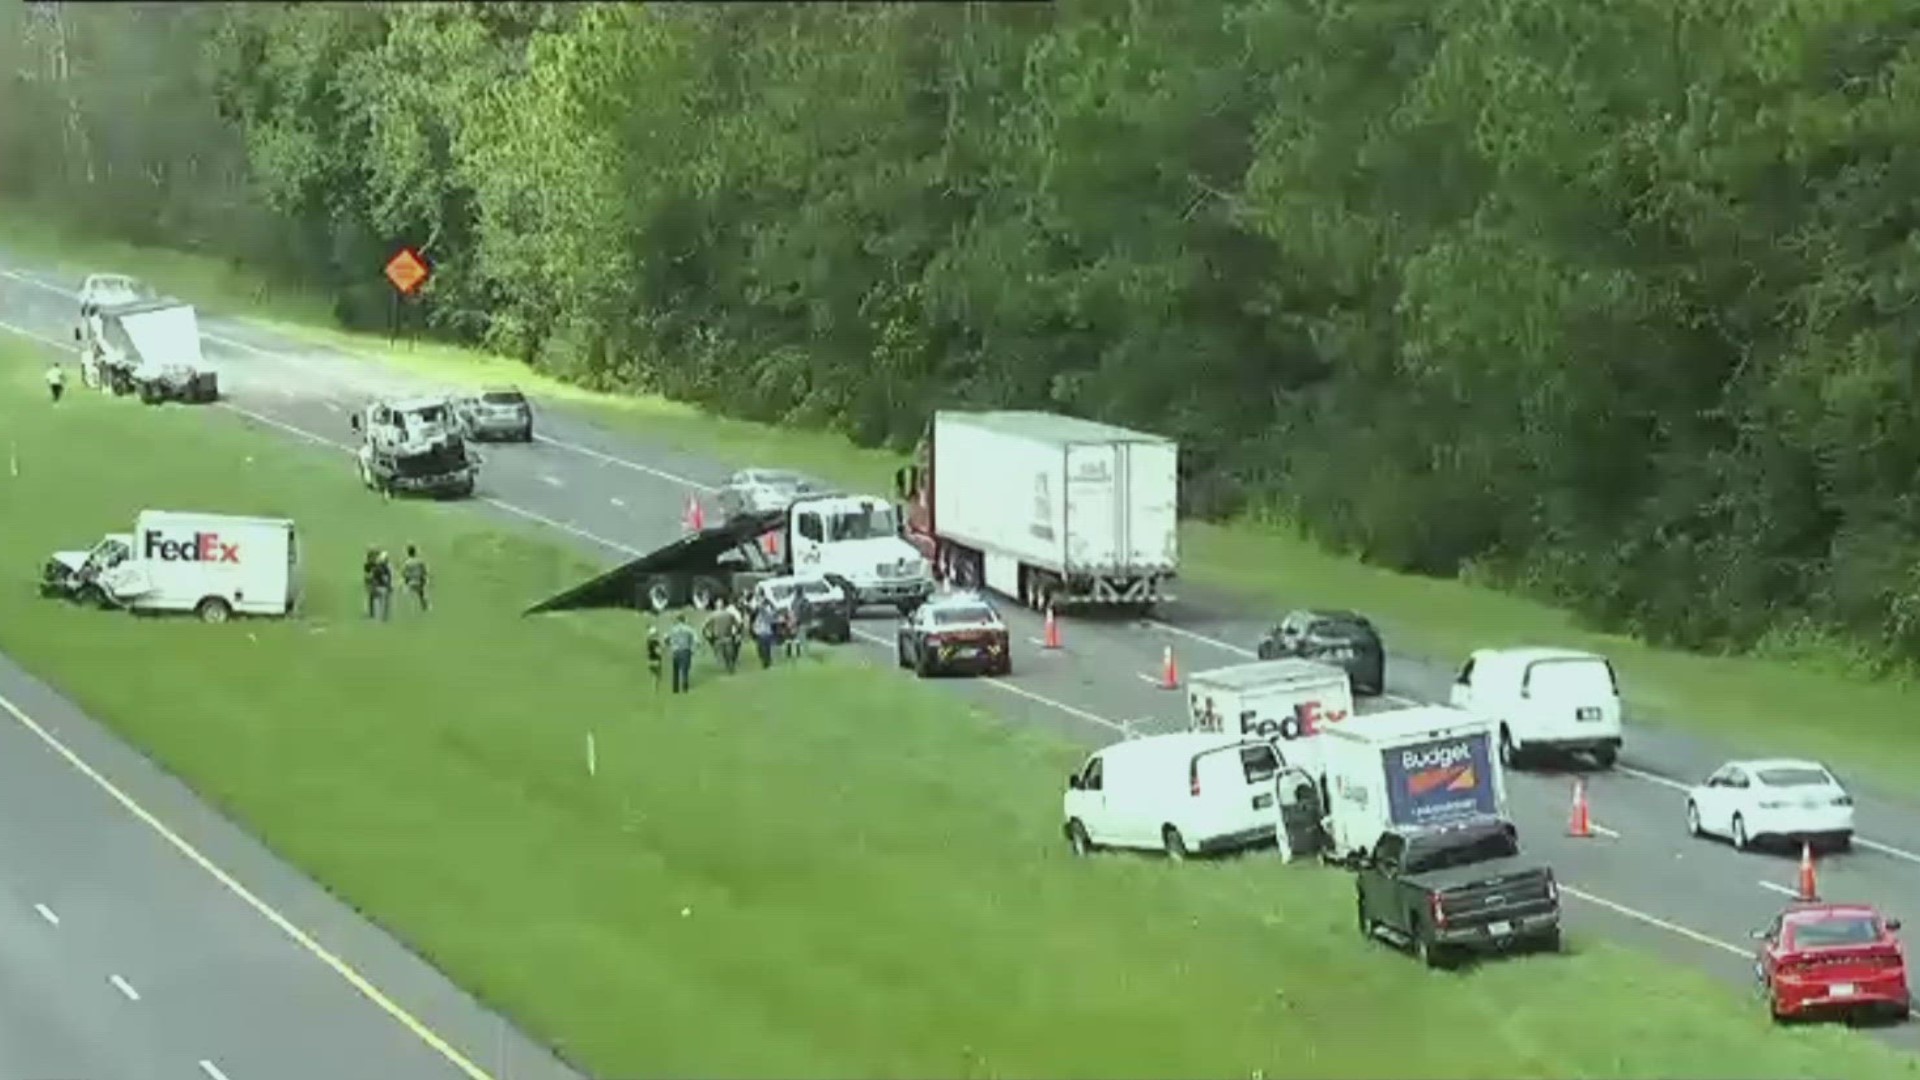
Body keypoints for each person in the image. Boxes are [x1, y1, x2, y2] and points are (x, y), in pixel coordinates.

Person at [703, 602, 743, 674]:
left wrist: (707, 635)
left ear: (716, 606)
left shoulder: (712, 615)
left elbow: (705, 626)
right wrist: (736, 633)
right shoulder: (729, 615)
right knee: (729, 654)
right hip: (728, 637)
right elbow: (738, 625)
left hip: (717, 638)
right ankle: (730, 667)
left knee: (721, 654)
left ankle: (726, 666)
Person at [665, 613, 698, 694]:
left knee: (675, 671)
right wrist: (693, 649)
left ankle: (675, 689)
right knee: (685, 671)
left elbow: (666, 639)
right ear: (684, 620)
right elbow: (696, 640)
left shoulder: (673, 629)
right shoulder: (689, 629)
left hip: (675, 651)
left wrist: (670, 646)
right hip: (685, 651)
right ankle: (684, 688)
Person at [364, 548, 393, 621]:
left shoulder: (377, 568)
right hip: (381, 588)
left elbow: (370, 577)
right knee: (384, 602)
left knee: (376, 600)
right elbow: (385, 579)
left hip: (376, 587)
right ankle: (383, 617)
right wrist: (388, 586)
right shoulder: (383, 568)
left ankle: (376, 615)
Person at [400, 545, 430, 612]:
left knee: (408, 594)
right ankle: (424, 606)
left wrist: (405, 581)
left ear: (408, 553)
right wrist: (424, 579)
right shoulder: (420, 561)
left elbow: (403, 573)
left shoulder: (406, 563)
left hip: (410, 583)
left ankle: (410, 609)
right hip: (419, 582)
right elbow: (424, 572)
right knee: (422, 595)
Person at [750, 600, 777, 670]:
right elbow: (773, 616)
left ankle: (766, 663)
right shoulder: (765, 615)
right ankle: (766, 663)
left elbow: (755, 625)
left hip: (763, 633)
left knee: (764, 650)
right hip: (765, 633)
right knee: (765, 650)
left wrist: (756, 631)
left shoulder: (762, 615)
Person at [789, 588, 814, 660]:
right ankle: (803, 653)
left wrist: (793, 620)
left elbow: (793, 611)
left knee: (799, 637)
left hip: (798, 621)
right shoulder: (804, 601)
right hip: (802, 621)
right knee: (801, 637)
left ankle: (801, 653)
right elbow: (809, 611)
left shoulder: (795, 601)